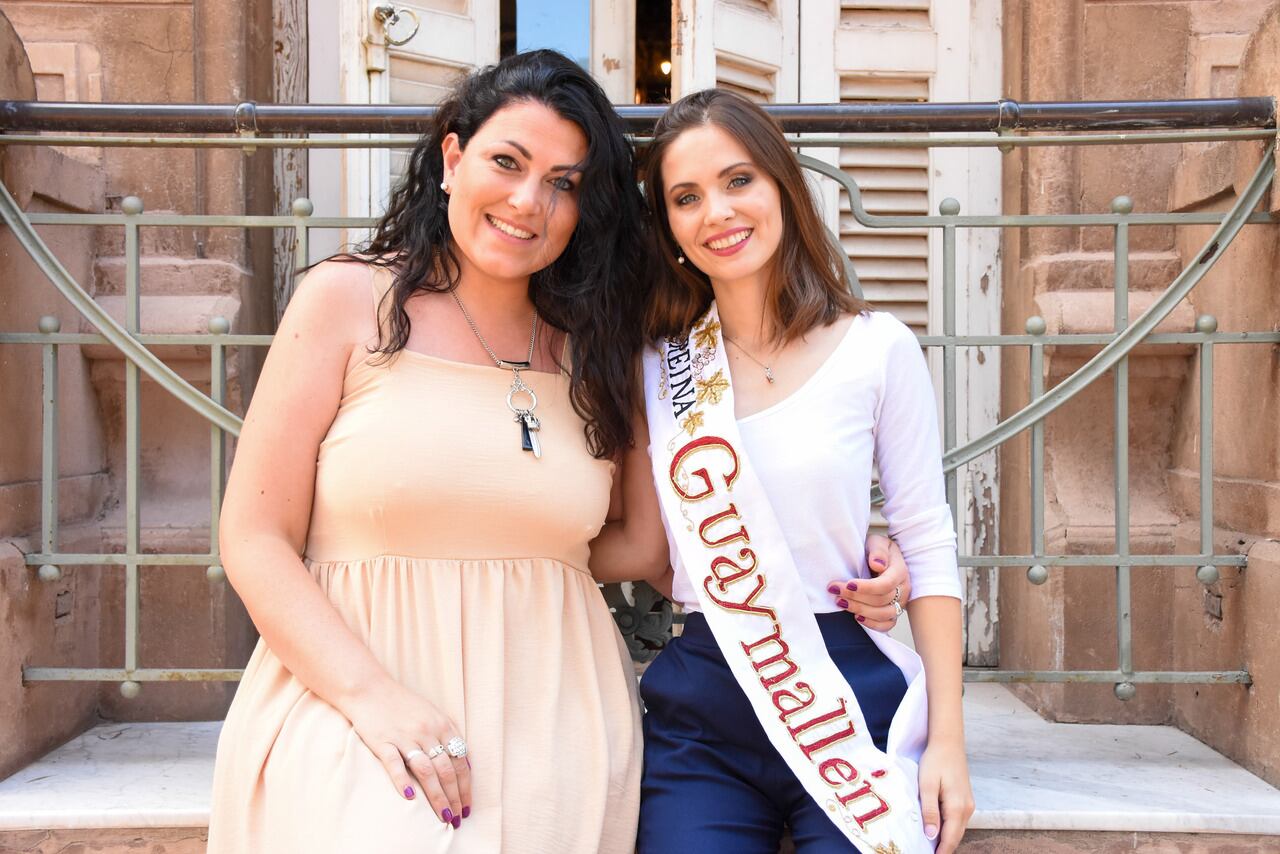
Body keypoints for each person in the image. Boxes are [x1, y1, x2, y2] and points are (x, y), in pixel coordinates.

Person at [206, 50, 652, 853]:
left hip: (555, 716)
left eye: (564, 183)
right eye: (507, 163)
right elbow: (252, 537)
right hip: (351, 699)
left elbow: (640, 543)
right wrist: (374, 698)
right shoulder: (346, 301)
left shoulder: (597, 349)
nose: (528, 202)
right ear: (453, 158)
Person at [589, 89, 975, 854]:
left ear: (782, 188)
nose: (718, 213)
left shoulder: (877, 348)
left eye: (738, 181)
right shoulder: (654, 369)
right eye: (686, 197)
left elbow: (928, 546)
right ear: (668, 226)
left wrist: (949, 746)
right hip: (706, 705)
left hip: (848, 701)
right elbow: (639, 546)